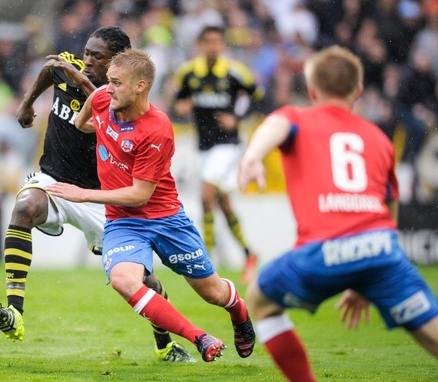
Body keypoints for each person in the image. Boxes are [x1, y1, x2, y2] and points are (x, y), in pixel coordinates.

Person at [0, 26, 195, 362]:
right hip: (54, 181)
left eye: (98, 57)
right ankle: (15, 311)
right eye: (87, 53)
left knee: (140, 280)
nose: (87, 60)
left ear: (119, 64)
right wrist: (27, 104)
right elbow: (48, 70)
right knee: (24, 206)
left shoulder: (124, 99)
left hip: (100, 199)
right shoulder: (70, 68)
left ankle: (165, 343)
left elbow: (99, 98)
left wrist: (78, 78)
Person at [237, 45, 438, 381]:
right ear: (358, 91)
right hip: (382, 250)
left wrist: (253, 155)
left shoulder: (298, 117)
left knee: (260, 299)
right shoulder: (378, 137)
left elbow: (275, 125)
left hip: (325, 250)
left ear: (313, 90)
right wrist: (364, 280)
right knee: (429, 333)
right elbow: (390, 208)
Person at [46, 49, 255, 363]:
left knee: (213, 293)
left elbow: (139, 195)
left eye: (116, 82)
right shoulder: (103, 97)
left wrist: (84, 194)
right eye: (108, 81)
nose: (108, 87)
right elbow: (82, 121)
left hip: (166, 219)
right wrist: (101, 128)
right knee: (122, 280)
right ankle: (199, 337)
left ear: (140, 86)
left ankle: (238, 311)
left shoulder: (157, 128)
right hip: (123, 222)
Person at [173, 25, 263, 284]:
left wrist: (238, 117)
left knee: (206, 196)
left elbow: (259, 96)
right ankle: (249, 253)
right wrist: (181, 105)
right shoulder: (189, 72)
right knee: (223, 204)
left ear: (222, 45)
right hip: (204, 146)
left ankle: (206, 259)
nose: (213, 46)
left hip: (228, 145)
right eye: (208, 42)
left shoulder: (235, 72)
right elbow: (179, 99)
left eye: (217, 42)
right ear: (201, 45)